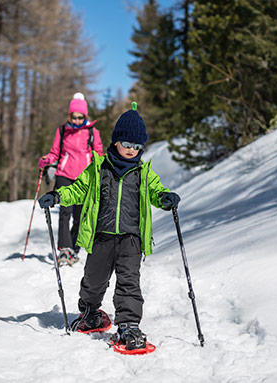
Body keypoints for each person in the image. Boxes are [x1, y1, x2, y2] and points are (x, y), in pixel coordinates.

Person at [38, 105, 180, 351]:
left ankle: (129, 324)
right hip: (101, 236)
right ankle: (90, 312)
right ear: (116, 142)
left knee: (129, 282)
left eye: (137, 147)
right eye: (127, 144)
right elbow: (78, 189)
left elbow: (156, 191)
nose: (131, 150)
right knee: (94, 280)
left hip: (131, 239)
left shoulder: (143, 172)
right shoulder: (98, 168)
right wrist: (58, 196)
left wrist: (166, 198)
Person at [37, 92, 104, 265]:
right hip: (64, 175)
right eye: (74, 117)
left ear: (85, 116)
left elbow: (99, 154)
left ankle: (74, 249)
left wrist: (102, 170)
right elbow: (55, 153)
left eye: (80, 117)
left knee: (80, 215)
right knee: (64, 213)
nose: (76, 120)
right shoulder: (62, 131)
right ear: (70, 115)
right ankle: (64, 249)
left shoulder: (92, 132)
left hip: (84, 178)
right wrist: (46, 160)